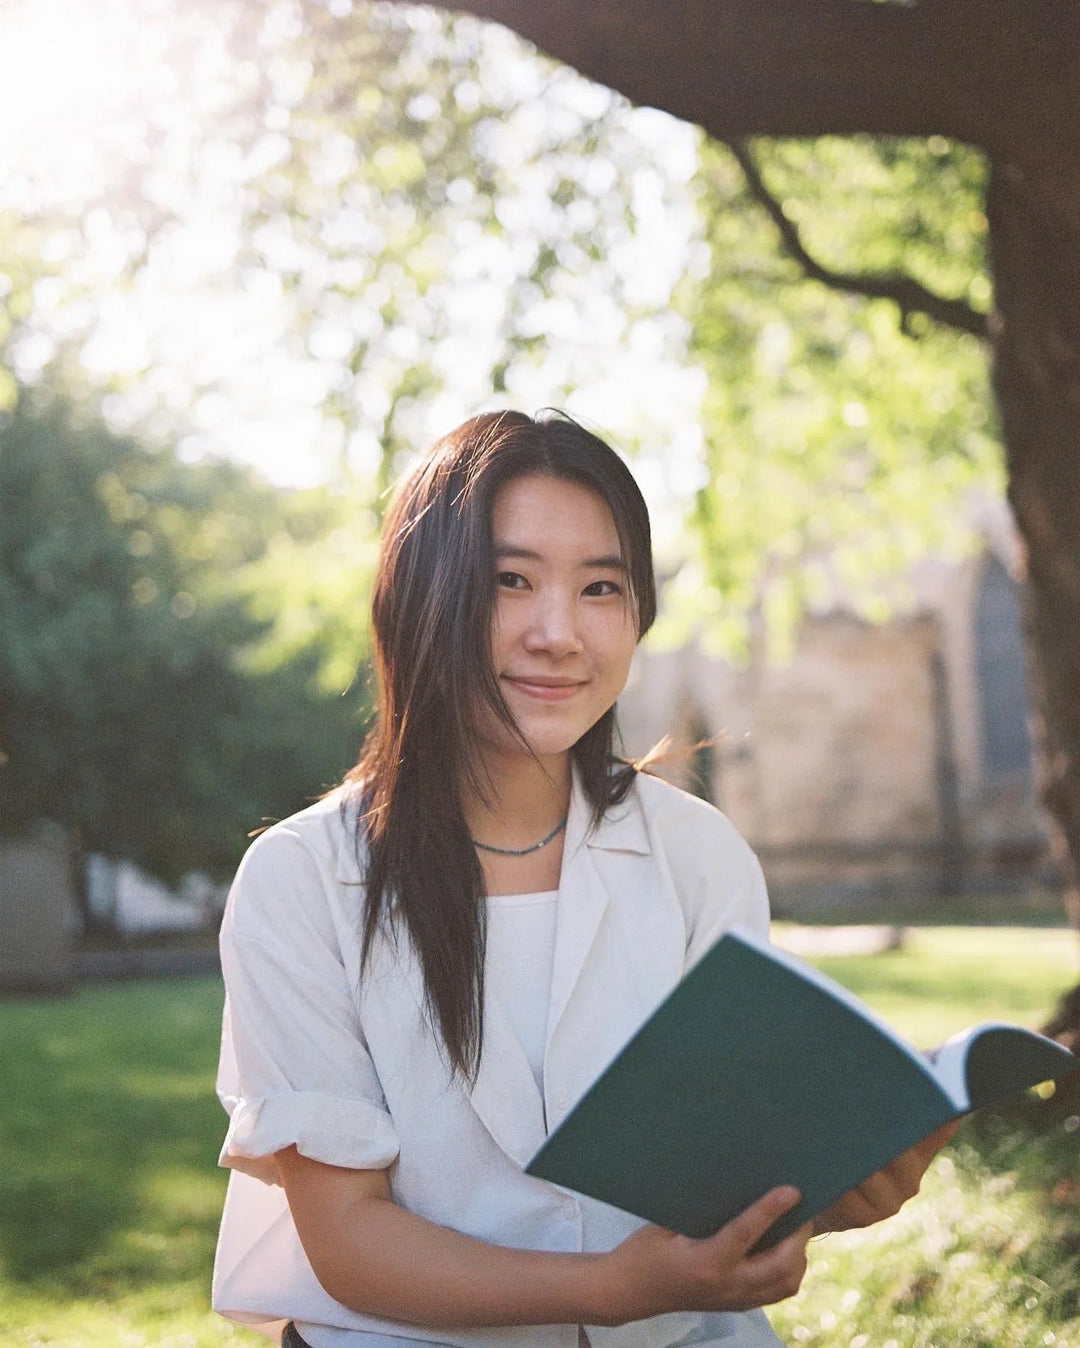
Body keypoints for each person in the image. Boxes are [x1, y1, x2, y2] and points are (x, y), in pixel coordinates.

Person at [212, 410, 951, 1348]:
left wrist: (826, 1193)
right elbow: (350, 1239)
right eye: (510, 581)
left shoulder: (698, 855)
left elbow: (721, 1165)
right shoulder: (302, 880)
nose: (558, 634)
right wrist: (608, 1289)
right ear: (418, 598)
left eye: (602, 587)